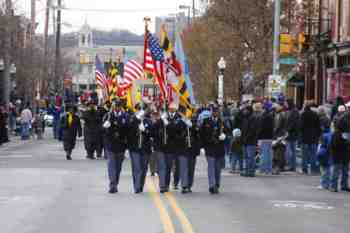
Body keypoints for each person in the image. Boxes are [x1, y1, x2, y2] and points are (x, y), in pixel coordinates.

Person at [160, 103, 188, 194]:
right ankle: (166, 185)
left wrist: (168, 124)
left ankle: (177, 183)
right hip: (168, 146)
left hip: (179, 146)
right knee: (168, 167)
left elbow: (178, 128)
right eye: (170, 107)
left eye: (173, 107)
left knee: (179, 167)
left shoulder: (179, 117)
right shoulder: (164, 117)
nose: (172, 109)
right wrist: (162, 119)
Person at [200, 106, 229, 194]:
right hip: (209, 147)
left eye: (217, 111)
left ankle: (217, 184)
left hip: (219, 148)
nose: (215, 113)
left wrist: (225, 136)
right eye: (214, 111)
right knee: (211, 167)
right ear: (211, 112)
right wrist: (202, 147)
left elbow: (228, 130)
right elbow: (202, 134)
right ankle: (212, 185)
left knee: (217, 168)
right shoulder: (206, 121)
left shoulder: (222, 121)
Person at [102, 99, 128, 193]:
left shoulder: (125, 116)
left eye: (118, 106)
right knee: (111, 165)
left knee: (118, 167)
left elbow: (128, 130)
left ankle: (115, 182)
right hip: (110, 144)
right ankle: (112, 184)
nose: (116, 108)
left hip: (121, 145)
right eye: (115, 106)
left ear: (121, 106)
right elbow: (103, 130)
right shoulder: (108, 116)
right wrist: (105, 127)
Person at [127, 104, 153, 193]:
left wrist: (145, 130)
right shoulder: (132, 119)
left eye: (142, 109)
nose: (140, 111)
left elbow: (152, 133)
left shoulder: (148, 121)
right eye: (138, 109)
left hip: (145, 149)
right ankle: (137, 187)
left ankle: (140, 185)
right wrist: (136, 120)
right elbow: (128, 130)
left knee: (144, 168)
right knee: (136, 168)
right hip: (134, 148)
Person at [300, 102, 322, 174]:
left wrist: (300, 136)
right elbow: (318, 127)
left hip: (305, 137)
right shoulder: (315, 115)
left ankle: (304, 169)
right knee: (313, 154)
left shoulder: (303, 115)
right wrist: (318, 135)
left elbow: (301, 126)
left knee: (304, 155)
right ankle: (313, 169)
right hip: (313, 137)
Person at [240, 104, 260, 177]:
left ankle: (251, 171)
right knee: (246, 157)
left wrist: (246, 138)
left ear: (249, 110)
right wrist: (242, 138)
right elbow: (243, 129)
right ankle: (247, 170)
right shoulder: (245, 118)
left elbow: (252, 130)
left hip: (251, 141)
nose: (244, 111)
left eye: (245, 110)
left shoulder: (253, 118)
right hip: (245, 141)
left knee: (250, 157)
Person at [257, 102, 274, 175]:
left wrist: (258, 137)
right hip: (270, 137)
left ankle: (263, 169)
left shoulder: (262, 117)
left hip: (263, 137)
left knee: (263, 154)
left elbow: (260, 128)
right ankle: (269, 169)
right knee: (269, 154)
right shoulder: (271, 116)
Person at [285, 99, 300, 172]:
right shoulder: (293, 111)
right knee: (292, 151)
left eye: (286, 103)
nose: (285, 105)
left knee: (291, 151)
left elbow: (293, 123)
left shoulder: (294, 111)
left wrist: (287, 131)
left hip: (292, 134)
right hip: (292, 133)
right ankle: (292, 166)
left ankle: (292, 166)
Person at [272, 103, 287, 174]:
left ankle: (279, 167)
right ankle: (281, 166)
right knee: (280, 151)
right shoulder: (282, 114)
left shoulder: (280, 115)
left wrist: (274, 131)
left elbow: (278, 126)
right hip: (282, 134)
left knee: (279, 151)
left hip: (279, 135)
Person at [317, 125, 332, 190]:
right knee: (327, 169)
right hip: (328, 154)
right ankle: (327, 184)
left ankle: (324, 184)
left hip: (323, 153)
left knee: (324, 170)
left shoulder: (324, 135)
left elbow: (321, 145)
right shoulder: (330, 134)